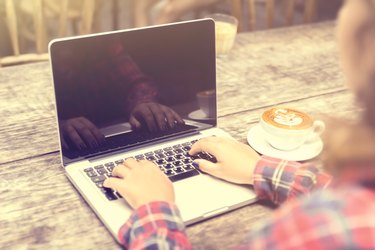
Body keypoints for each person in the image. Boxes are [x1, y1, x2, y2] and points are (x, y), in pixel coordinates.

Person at [103, 0, 375, 248]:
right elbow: (340, 193)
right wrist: (260, 169)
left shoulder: (299, 233)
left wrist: (154, 209)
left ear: (362, 43)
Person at [55, 39, 183, 151]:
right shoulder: (43, 60)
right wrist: (56, 126)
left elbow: (136, 81)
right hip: (67, 149)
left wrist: (143, 101)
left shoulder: (102, 42)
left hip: (116, 134)